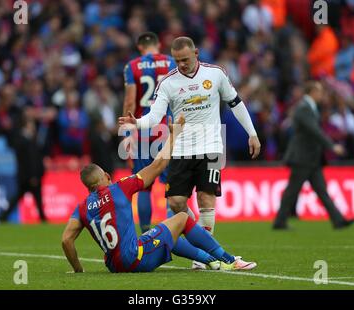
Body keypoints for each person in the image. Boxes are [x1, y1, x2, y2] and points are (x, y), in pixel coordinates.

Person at [119, 36, 261, 269]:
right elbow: (155, 117)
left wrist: (252, 133)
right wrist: (138, 123)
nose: (181, 64)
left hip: (212, 146)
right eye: (177, 60)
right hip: (181, 149)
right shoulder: (167, 82)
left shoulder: (215, 74)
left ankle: (203, 256)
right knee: (176, 203)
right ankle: (205, 246)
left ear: (196, 53)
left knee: (206, 199)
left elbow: (235, 102)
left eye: (185, 59)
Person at [61, 115, 257, 273]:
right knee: (181, 218)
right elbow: (159, 165)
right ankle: (228, 260)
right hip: (135, 259)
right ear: (106, 175)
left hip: (114, 266)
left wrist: (78, 270)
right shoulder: (119, 187)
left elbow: (66, 240)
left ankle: (210, 261)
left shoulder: (82, 207)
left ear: (88, 187)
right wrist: (174, 135)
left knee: (162, 233)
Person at [273, 81, 354, 230]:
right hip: (303, 158)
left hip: (311, 158)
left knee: (319, 191)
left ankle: (338, 220)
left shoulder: (308, 107)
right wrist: (331, 146)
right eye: (319, 92)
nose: (321, 95)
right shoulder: (304, 108)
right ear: (312, 92)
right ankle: (279, 221)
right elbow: (314, 130)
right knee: (292, 191)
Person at [122, 32, 176, 233]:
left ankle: (146, 232)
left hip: (142, 130)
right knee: (172, 182)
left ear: (139, 47)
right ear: (159, 44)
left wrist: (125, 134)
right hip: (166, 128)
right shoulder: (172, 63)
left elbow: (129, 101)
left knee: (144, 184)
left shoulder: (132, 66)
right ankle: (172, 231)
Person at [0, 118, 46, 223]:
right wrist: (33, 175)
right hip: (28, 176)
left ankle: (3, 216)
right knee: (36, 198)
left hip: (26, 176)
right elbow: (30, 161)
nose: (33, 127)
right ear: (27, 126)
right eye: (31, 124)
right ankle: (43, 219)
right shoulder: (25, 140)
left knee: (23, 197)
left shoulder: (26, 139)